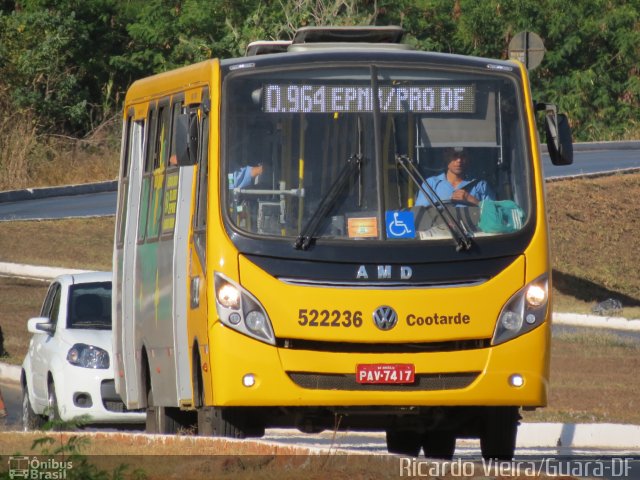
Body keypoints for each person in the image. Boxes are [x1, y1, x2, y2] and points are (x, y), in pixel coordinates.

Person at [415, 147, 495, 207]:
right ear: (446, 157)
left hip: (474, 229)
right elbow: (421, 215)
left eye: (463, 156)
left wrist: (474, 200)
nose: (459, 160)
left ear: (469, 158)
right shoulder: (430, 184)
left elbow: (495, 215)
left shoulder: (480, 185)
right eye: (455, 155)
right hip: (439, 228)